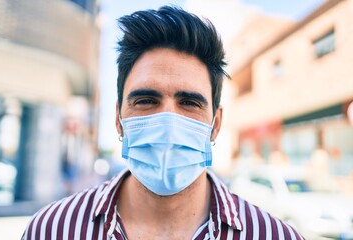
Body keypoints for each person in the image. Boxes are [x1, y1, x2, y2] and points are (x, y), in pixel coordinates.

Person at [22, 6, 304, 240]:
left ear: (215, 125)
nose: (169, 120)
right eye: (146, 100)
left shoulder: (274, 235)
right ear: (119, 120)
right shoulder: (51, 230)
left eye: (190, 103)